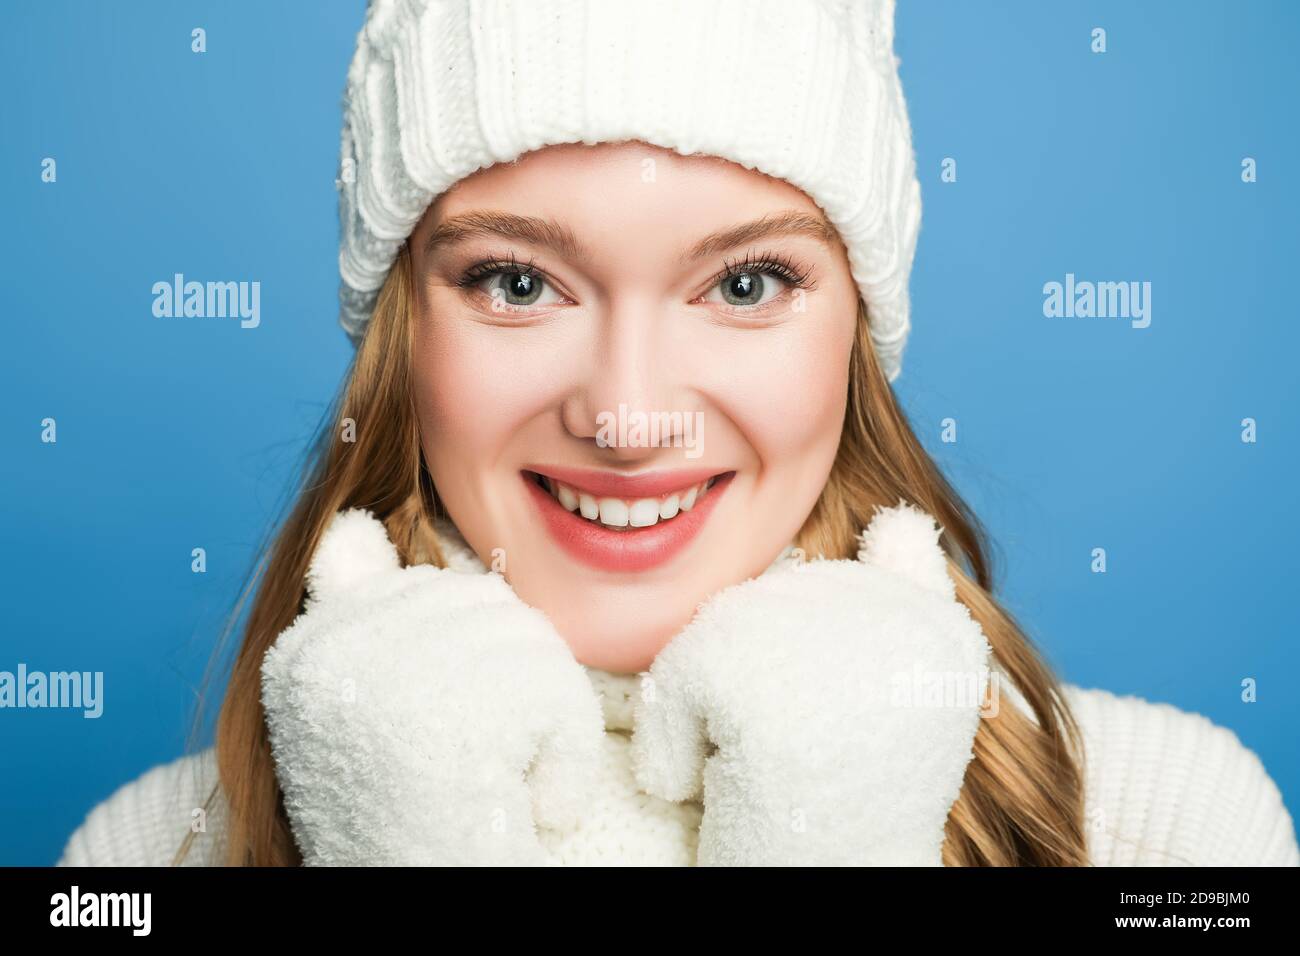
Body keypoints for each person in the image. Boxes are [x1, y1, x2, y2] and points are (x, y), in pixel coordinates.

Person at [59, 0, 1297, 867]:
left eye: (747, 283)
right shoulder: (146, 857)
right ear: (403, 334)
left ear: (855, 331)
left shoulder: (1161, 829)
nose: (625, 413)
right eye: (516, 280)